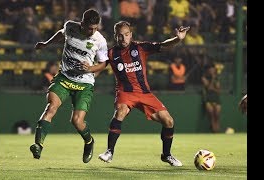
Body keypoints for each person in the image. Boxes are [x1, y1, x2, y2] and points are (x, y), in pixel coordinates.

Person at [81, 21, 190, 166]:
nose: (124, 38)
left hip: (145, 93)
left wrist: (178, 39)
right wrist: (90, 71)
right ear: (116, 36)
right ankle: (109, 152)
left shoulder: (140, 47)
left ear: (130, 35)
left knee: (169, 121)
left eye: (126, 35)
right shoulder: (112, 53)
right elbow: (101, 66)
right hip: (125, 92)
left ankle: (167, 155)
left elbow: (163, 46)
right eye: (120, 36)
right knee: (120, 112)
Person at [29, 9, 109, 163]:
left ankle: (89, 141)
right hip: (64, 78)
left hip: (84, 83)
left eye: (95, 28)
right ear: (82, 24)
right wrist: (46, 44)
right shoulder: (70, 26)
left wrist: (90, 69)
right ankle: (38, 144)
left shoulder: (100, 40)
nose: (92, 31)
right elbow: (61, 33)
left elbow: (103, 63)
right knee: (51, 106)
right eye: (89, 28)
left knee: (77, 121)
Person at [201, 63, 221, 133]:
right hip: (208, 99)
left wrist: (213, 88)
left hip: (216, 98)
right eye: (210, 69)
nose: (212, 71)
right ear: (208, 70)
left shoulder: (217, 78)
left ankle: (217, 130)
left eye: (213, 69)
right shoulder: (204, 78)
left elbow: (218, 90)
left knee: (217, 114)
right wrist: (212, 79)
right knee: (211, 114)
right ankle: (214, 130)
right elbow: (209, 88)